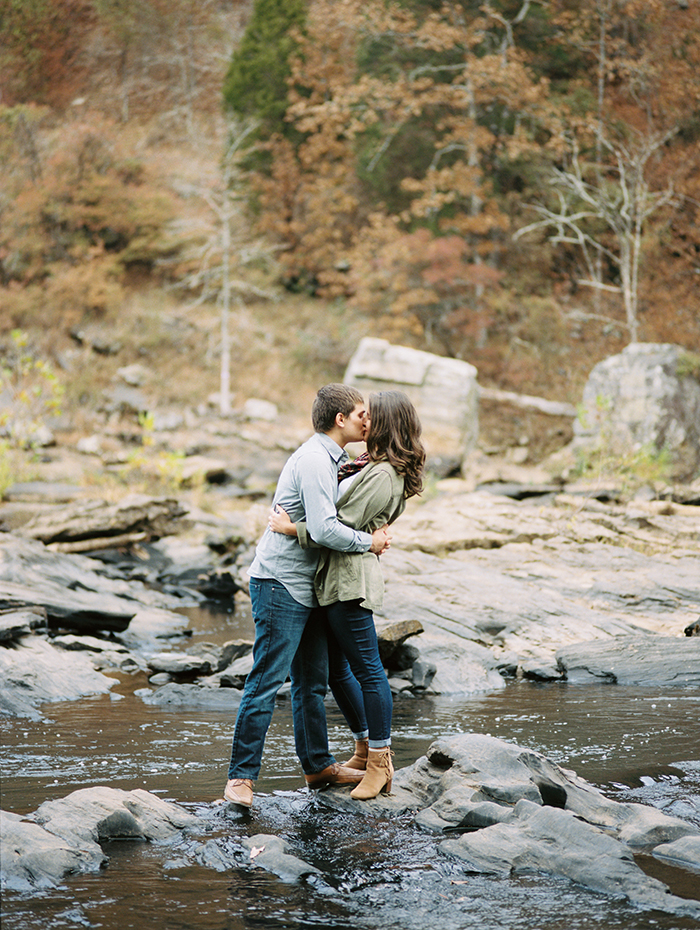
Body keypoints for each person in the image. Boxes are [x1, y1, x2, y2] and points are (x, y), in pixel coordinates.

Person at [223, 383, 392, 808]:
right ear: (340, 420)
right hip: (281, 584)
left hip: (309, 586)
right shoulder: (316, 460)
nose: (367, 421)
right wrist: (369, 543)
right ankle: (240, 779)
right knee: (265, 681)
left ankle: (318, 766)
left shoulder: (336, 459)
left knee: (311, 685)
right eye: (360, 415)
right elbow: (324, 530)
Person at [269, 390, 425, 800]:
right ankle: (362, 750)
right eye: (363, 414)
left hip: (349, 581)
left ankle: (380, 762)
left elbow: (337, 529)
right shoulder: (368, 465)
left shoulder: (381, 474)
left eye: (373, 416)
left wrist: (292, 529)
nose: (366, 421)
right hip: (334, 580)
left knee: (368, 670)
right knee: (339, 671)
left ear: (387, 422)